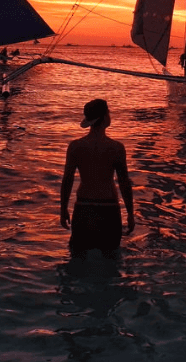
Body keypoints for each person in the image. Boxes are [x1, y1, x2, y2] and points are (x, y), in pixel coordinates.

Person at [60, 99, 135, 258]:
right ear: (103, 117)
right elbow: (124, 183)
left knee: (78, 260)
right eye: (108, 112)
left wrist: (63, 209)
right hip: (108, 209)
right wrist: (130, 213)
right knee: (111, 262)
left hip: (83, 207)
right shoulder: (116, 148)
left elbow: (67, 180)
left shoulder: (75, 146)